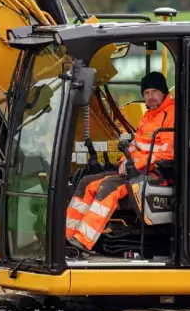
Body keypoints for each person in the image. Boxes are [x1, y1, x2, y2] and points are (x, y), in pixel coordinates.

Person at [65, 71, 176, 252]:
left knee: (109, 186)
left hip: (157, 173)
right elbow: (134, 145)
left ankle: (83, 241)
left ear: (164, 92)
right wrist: (125, 161)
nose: (150, 97)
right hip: (137, 169)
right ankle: (67, 235)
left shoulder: (172, 114)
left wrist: (136, 163)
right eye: (146, 93)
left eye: (155, 92)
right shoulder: (148, 116)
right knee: (86, 183)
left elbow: (168, 152)